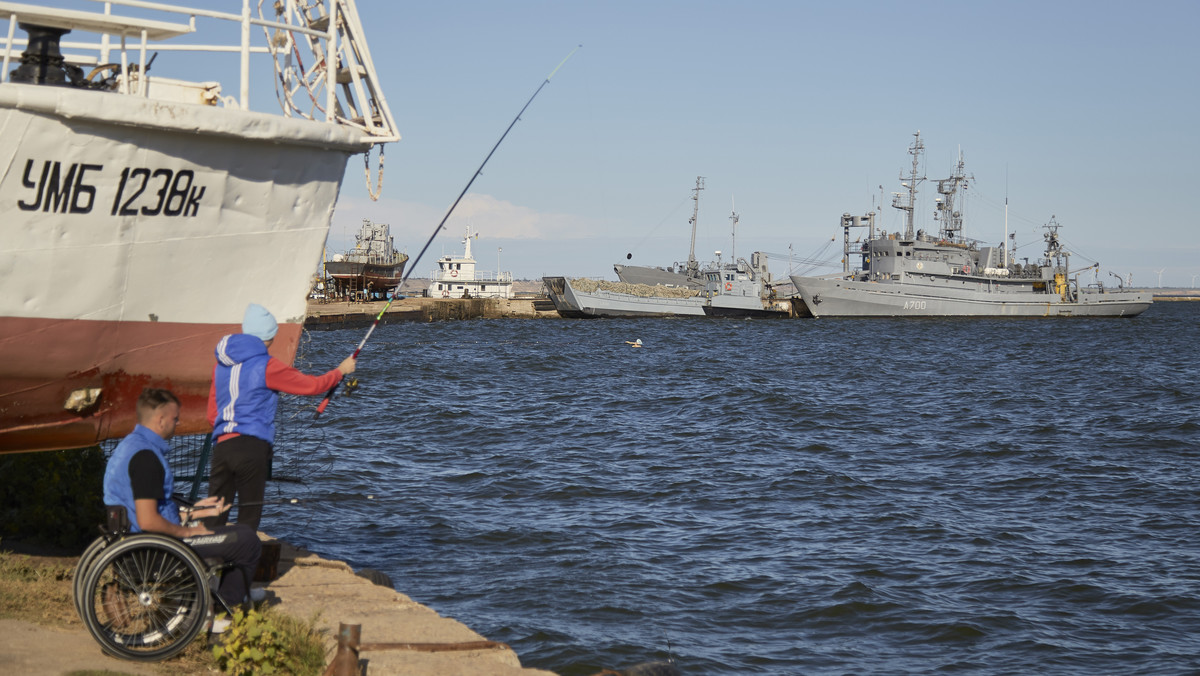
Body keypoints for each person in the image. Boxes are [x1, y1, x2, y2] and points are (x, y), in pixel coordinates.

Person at [103, 388, 261, 612]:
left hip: (138, 545)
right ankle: (223, 609)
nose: (177, 425)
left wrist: (199, 511)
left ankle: (232, 593)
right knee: (246, 540)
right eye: (175, 419)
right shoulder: (146, 459)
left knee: (235, 534)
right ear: (160, 420)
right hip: (155, 551)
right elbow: (148, 520)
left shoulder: (130, 447)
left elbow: (150, 509)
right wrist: (189, 532)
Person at [207, 303, 355, 531]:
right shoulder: (267, 365)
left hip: (222, 447)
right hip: (251, 446)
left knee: (214, 514)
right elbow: (312, 386)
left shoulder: (221, 366)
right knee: (249, 516)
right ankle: (241, 565)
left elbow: (212, 414)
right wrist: (340, 371)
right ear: (268, 336)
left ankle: (204, 561)